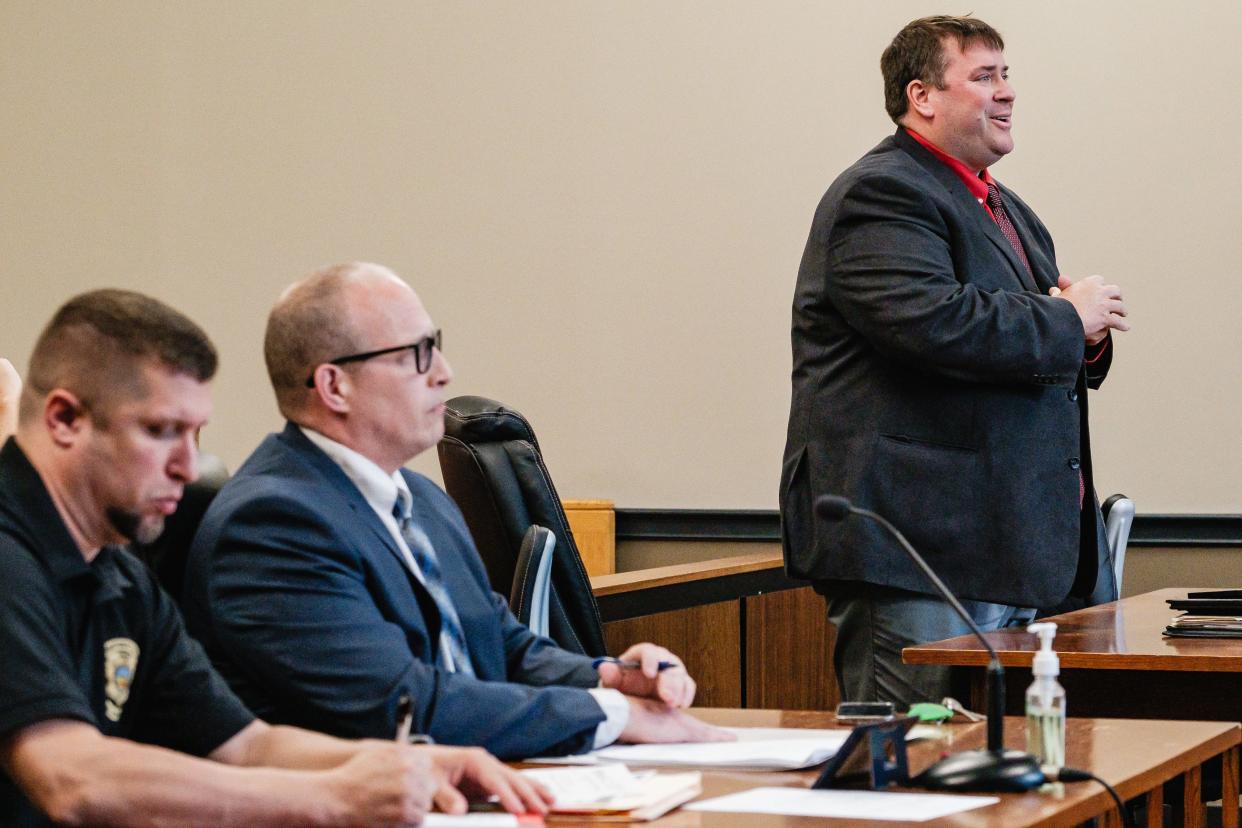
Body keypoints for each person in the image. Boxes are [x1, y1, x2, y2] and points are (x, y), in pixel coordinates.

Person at [0, 289, 551, 827]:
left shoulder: (116, 569)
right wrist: (332, 798)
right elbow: (71, 776)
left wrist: (422, 762)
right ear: (64, 419)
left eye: (196, 435)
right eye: (160, 431)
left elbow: (246, 744)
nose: (188, 468)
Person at [184, 262, 729, 759]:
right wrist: (613, 716)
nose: (443, 372)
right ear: (334, 385)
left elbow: (503, 647)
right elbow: (403, 708)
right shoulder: (271, 524)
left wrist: (610, 679)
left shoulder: (424, 501)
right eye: (416, 353)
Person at [779, 15, 1129, 706]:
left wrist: (1082, 339)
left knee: (1017, 788)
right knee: (917, 776)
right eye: (984, 76)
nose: (1007, 93)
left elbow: (1017, 349)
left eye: (1007, 75)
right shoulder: (882, 193)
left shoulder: (1007, 208)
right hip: (922, 551)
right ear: (923, 97)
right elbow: (933, 323)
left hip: (1012, 548)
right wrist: (1065, 317)